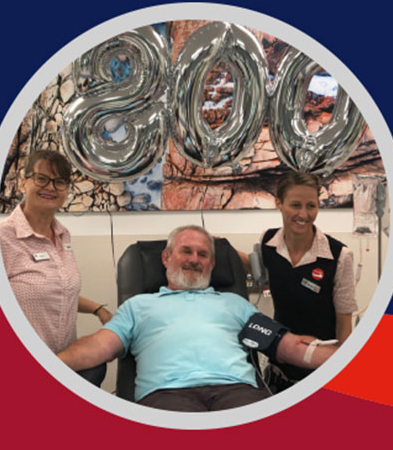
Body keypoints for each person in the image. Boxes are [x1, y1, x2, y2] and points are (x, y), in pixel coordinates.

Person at [57, 225, 338, 412]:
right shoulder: (139, 306)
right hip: (168, 395)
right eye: (186, 251)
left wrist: (344, 361)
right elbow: (99, 345)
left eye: (203, 254)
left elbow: (284, 344)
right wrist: (53, 366)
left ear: (212, 264)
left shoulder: (233, 304)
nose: (194, 259)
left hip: (237, 392)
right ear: (166, 257)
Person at [0, 150, 112, 356]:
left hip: (64, 360)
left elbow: (59, 292)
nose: (50, 187)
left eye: (59, 182)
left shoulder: (62, 235)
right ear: (23, 183)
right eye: (42, 179)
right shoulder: (0, 238)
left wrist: (98, 309)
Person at [253, 171, 357, 392]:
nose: (304, 214)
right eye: (295, 205)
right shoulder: (268, 242)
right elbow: (255, 267)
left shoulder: (339, 255)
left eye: (311, 206)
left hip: (321, 372)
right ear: (279, 204)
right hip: (278, 370)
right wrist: (213, 246)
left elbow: (344, 325)